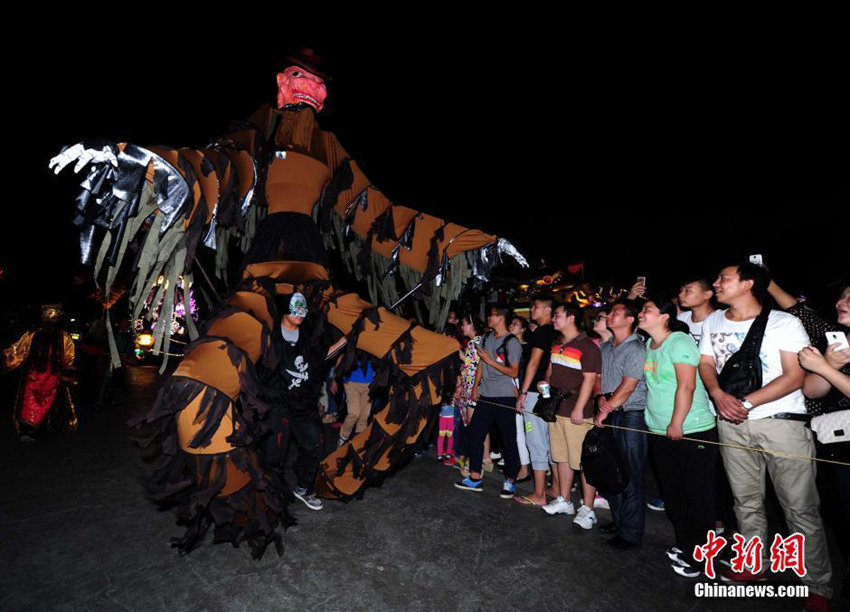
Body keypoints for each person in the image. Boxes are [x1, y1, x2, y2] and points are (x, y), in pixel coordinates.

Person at [698, 262, 833, 606]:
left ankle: (818, 584)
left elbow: (794, 376)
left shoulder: (784, 322)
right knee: (744, 500)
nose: (716, 283)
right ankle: (752, 564)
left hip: (781, 422)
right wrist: (717, 395)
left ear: (747, 283)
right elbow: (706, 363)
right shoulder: (714, 320)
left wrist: (743, 401)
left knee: (799, 507)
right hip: (730, 423)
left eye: (723, 278)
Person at [638, 296, 718, 578]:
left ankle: (702, 556)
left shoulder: (680, 341)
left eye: (647, 309)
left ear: (664, 316)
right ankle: (686, 544)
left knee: (698, 496)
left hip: (690, 429)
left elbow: (686, 386)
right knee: (673, 494)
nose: (641, 314)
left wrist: (677, 422)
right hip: (661, 430)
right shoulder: (651, 345)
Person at [268, 292, 347, 511]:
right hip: (279, 405)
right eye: (296, 309)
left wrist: (346, 339)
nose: (301, 314)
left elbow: (322, 355)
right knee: (274, 453)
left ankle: (304, 487)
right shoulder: (270, 337)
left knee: (316, 445)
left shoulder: (305, 336)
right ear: (285, 309)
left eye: (304, 310)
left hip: (303, 405)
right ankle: (271, 495)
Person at [798, 282, 850, 598]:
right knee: (840, 513)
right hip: (838, 440)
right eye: (842, 296)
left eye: (849, 298)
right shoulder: (839, 342)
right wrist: (828, 365)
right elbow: (812, 391)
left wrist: (823, 368)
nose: (840, 301)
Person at [539, 304, 601, 530]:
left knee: (583, 462)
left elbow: (589, 380)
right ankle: (565, 500)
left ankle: (588, 508)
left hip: (577, 413)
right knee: (562, 457)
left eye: (557, 315)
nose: (553, 318)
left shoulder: (588, 347)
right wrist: (545, 382)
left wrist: (580, 407)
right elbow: (551, 370)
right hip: (556, 411)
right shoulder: (557, 344)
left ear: (571, 317)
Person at [594, 300, 649, 549]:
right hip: (612, 413)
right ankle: (619, 522)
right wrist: (600, 401)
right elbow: (600, 379)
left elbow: (629, 386)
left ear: (629, 320)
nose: (610, 315)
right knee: (612, 471)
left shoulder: (636, 348)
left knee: (631, 476)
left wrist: (605, 409)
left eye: (616, 312)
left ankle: (631, 533)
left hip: (631, 416)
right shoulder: (607, 347)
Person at [455, 305, 522, 499]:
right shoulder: (486, 338)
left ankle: (510, 480)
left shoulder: (512, 342)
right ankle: (475, 477)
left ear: (500, 318)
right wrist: (476, 387)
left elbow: (514, 371)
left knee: (507, 439)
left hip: (505, 396)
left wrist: (490, 360)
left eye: (492, 316)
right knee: (475, 433)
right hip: (486, 395)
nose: (488, 319)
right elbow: (481, 365)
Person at [3, 303, 77, 441]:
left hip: (52, 376)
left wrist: (67, 372)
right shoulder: (32, 335)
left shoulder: (64, 337)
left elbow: (68, 357)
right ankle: (28, 430)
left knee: (47, 403)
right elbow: (18, 351)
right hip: (33, 375)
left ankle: (40, 429)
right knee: (28, 403)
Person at [514, 294, 559, 506]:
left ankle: (539, 494)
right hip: (549, 393)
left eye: (537, 306)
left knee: (535, 440)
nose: (532, 309)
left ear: (548, 310)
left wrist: (523, 392)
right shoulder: (554, 333)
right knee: (549, 441)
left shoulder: (543, 331)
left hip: (534, 392)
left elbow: (533, 363)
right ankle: (556, 488)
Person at [454, 314, 484, 476]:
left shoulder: (476, 342)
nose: (461, 327)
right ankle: (481, 461)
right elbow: (469, 364)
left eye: (464, 324)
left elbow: (473, 367)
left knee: (473, 428)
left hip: (473, 389)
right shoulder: (476, 342)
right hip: (472, 388)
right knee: (476, 428)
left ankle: (473, 466)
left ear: (471, 325)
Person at [508, 315, 531, 480]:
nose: (511, 326)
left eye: (515, 324)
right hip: (510, 391)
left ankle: (525, 467)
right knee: (516, 431)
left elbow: (523, 372)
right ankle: (520, 464)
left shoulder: (526, 348)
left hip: (521, 393)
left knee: (522, 431)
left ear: (523, 329)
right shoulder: (509, 345)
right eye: (511, 323)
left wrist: (520, 391)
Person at [338, 352, 375, 446]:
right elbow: (342, 357)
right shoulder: (353, 340)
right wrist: (335, 378)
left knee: (364, 416)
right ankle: (343, 438)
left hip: (369, 382)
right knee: (354, 413)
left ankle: (359, 443)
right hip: (351, 381)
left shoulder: (374, 341)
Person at [677, 277, 715, 344]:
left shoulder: (717, 321)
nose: (680, 295)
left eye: (687, 291)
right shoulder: (682, 318)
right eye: (681, 290)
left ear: (707, 295)